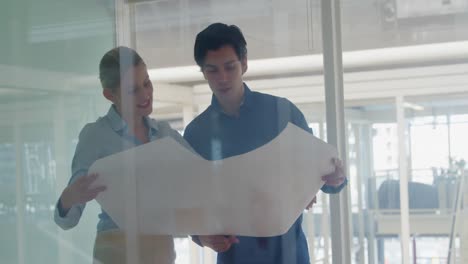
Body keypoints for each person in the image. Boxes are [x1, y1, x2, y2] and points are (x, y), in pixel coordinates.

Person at [183, 23, 347, 264]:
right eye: (212, 70)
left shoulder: (282, 113)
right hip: (235, 255)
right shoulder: (196, 134)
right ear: (203, 72)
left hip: (289, 254)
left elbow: (324, 175)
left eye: (230, 67)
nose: (223, 78)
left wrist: (336, 178)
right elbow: (187, 204)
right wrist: (202, 237)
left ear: (244, 63)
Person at [54, 46, 190, 264]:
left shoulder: (165, 134)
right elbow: (66, 220)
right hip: (116, 250)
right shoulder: (96, 135)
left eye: (147, 83)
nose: (146, 94)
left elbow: (203, 179)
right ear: (110, 95)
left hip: (161, 250)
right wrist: (68, 198)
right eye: (133, 90)